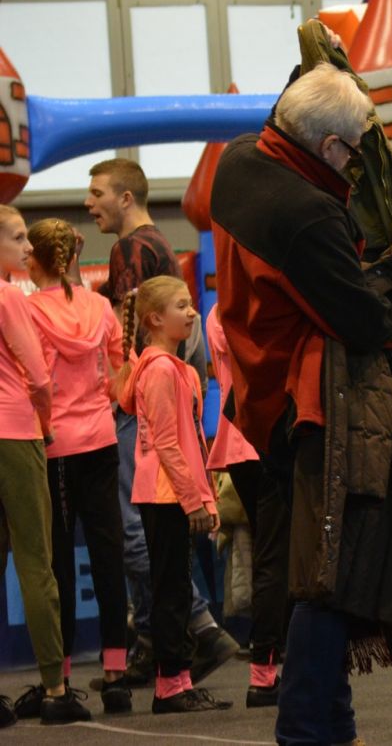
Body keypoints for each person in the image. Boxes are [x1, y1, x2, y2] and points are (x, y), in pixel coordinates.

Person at [210, 62, 392, 746]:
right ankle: (306, 728)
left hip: (265, 400)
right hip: (313, 409)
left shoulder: (238, 161)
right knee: (331, 575)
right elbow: (365, 322)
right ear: (328, 146)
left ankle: (332, 724)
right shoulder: (308, 215)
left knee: (324, 570)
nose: (358, 164)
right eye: (354, 151)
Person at [84, 158, 237, 686]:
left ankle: (197, 626)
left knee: (137, 532)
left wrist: (122, 388)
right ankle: (153, 641)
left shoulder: (132, 249)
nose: (89, 203)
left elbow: (131, 334)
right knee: (151, 533)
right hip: (162, 396)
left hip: (142, 406)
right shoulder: (160, 247)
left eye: (98, 192)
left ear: (126, 198)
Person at [18, 220, 129, 717]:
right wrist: (100, 403)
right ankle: (116, 675)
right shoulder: (100, 307)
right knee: (108, 555)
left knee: (58, 561)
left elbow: (31, 377)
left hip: (55, 444)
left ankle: (59, 678)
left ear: (34, 260)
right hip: (102, 439)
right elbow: (118, 371)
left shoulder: (28, 309)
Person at [116, 276, 231, 716]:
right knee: (171, 591)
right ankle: (169, 687)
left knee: (177, 589)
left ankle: (178, 682)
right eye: (181, 306)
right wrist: (193, 499)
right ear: (154, 319)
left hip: (173, 493)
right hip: (165, 494)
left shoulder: (174, 368)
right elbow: (166, 443)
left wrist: (205, 497)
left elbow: (190, 440)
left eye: (190, 303)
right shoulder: (161, 370)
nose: (192, 312)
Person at [0, 206, 90, 726]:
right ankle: (55, 688)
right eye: (17, 238)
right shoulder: (10, 296)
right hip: (16, 432)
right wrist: (47, 422)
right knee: (36, 563)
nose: (27, 247)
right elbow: (37, 375)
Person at [205, 301, 289, 708]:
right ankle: (264, 671)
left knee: (270, 555)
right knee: (276, 558)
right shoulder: (250, 309)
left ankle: (272, 663)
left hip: (241, 445)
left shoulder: (219, 313)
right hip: (264, 441)